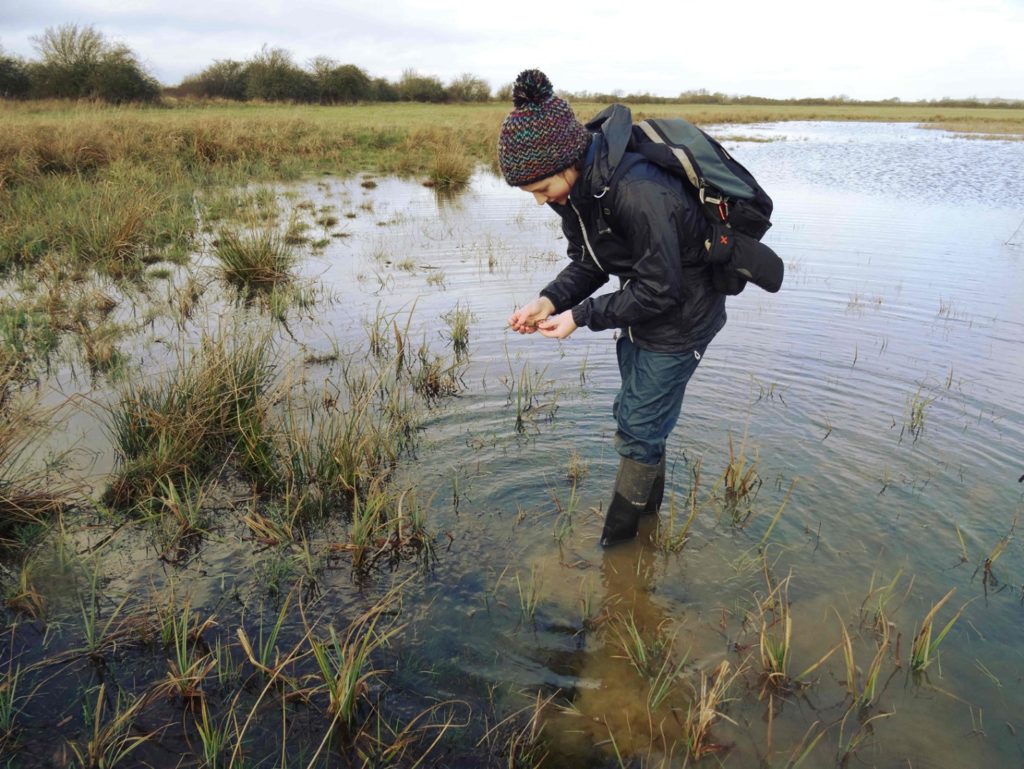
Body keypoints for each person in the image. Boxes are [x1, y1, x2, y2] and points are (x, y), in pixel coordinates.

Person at [498, 69, 726, 548]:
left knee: (639, 427)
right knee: (641, 421)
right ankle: (647, 534)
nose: (540, 202)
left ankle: (615, 553)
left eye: (542, 189)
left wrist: (580, 317)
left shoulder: (638, 191)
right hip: (639, 311)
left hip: (682, 316)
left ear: (567, 163)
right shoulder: (578, 191)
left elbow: (661, 289)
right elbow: (591, 261)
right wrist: (549, 300)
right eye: (532, 193)